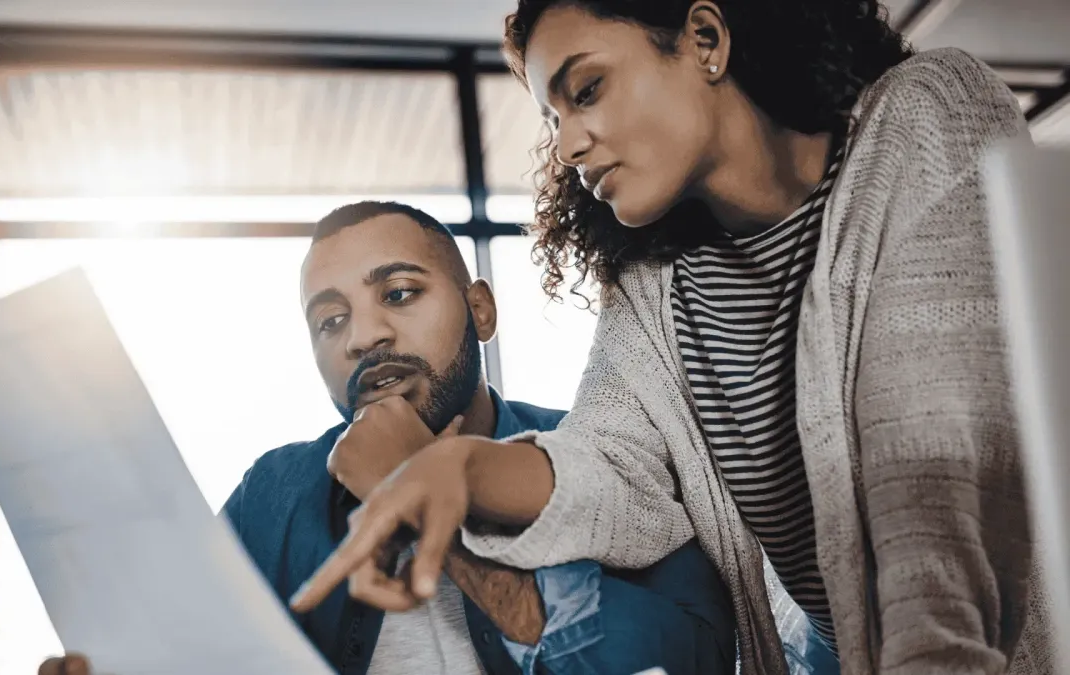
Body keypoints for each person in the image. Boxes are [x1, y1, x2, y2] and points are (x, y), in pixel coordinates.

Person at [291, 3, 1054, 675]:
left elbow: (935, 484)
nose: (566, 148)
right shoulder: (658, 284)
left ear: (705, 38)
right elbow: (610, 466)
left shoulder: (925, 116)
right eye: (552, 121)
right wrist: (459, 464)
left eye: (585, 91)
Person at [36, 201, 737, 675]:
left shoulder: (600, 451)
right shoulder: (274, 494)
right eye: (329, 321)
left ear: (481, 310)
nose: (364, 336)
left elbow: (696, 656)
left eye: (398, 293)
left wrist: (424, 491)